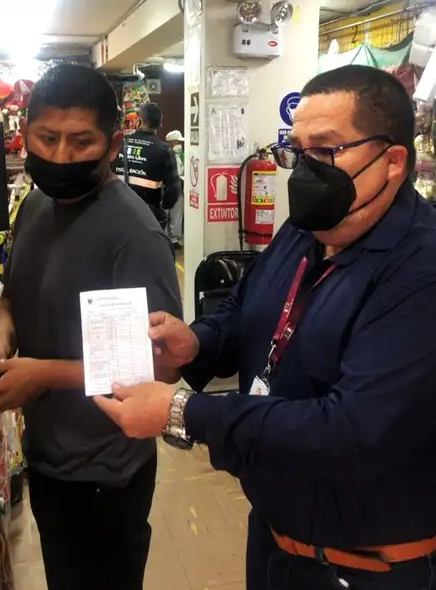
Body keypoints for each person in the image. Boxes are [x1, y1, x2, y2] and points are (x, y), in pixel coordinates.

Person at [94, 65, 436, 590]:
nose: (302, 171)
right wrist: (195, 344)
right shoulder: (308, 229)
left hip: (369, 568)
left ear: (391, 161)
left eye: (325, 151)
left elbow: (350, 432)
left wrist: (183, 411)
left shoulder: (419, 270)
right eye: (295, 152)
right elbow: (246, 310)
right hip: (276, 543)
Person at [0, 63, 182, 589]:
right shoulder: (36, 204)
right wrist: (3, 331)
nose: (60, 156)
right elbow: (17, 290)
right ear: (27, 135)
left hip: (107, 472)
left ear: (112, 146)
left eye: (81, 141)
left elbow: (154, 367)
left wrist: (41, 374)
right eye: (48, 138)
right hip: (48, 456)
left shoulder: (133, 234)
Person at [113, 102, 182, 227]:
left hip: (120, 213)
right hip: (149, 218)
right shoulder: (164, 150)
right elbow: (173, 191)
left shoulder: (121, 144)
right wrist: (162, 207)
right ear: (160, 124)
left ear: (139, 120)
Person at [165, 129, 186, 248]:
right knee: (173, 213)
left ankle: (172, 239)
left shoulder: (181, 154)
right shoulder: (173, 155)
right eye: (178, 142)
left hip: (174, 188)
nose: (180, 145)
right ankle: (171, 239)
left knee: (175, 213)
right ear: (172, 142)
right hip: (172, 188)